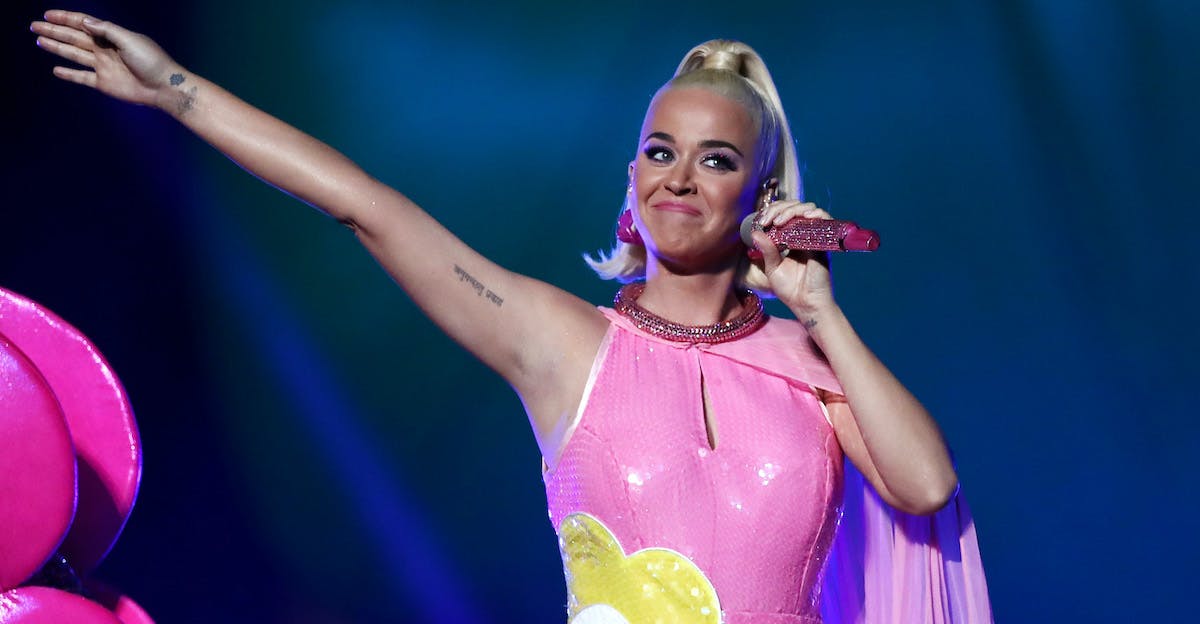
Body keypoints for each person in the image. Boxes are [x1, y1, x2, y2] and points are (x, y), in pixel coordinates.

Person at [31, 10, 991, 623]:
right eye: (660, 151)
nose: (680, 177)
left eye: (717, 159)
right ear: (631, 182)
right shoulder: (565, 344)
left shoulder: (803, 363)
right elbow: (366, 205)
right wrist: (175, 91)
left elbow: (925, 486)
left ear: (762, 193)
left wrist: (821, 314)